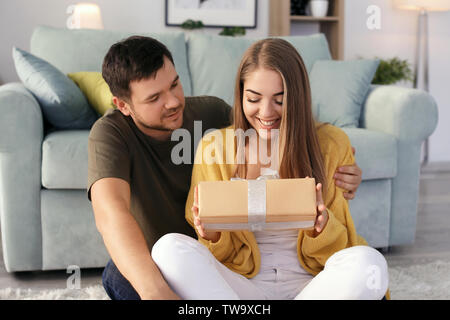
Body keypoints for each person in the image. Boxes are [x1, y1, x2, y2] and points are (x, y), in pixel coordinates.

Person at [88, 35, 363, 300]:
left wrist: (338, 158)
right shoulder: (111, 134)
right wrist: (156, 294)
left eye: (174, 85)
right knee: (122, 273)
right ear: (123, 105)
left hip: (226, 264)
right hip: (181, 256)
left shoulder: (212, 113)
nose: (172, 101)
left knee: (367, 266)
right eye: (154, 98)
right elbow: (110, 213)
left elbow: (270, 122)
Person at [151, 38, 389, 300]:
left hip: (314, 285)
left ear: (298, 97)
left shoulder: (331, 144)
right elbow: (216, 255)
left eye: (280, 99)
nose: (266, 112)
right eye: (253, 98)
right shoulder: (215, 147)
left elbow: (340, 250)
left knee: (370, 264)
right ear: (241, 94)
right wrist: (212, 235)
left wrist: (321, 229)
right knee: (168, 248)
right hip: (241, 285)